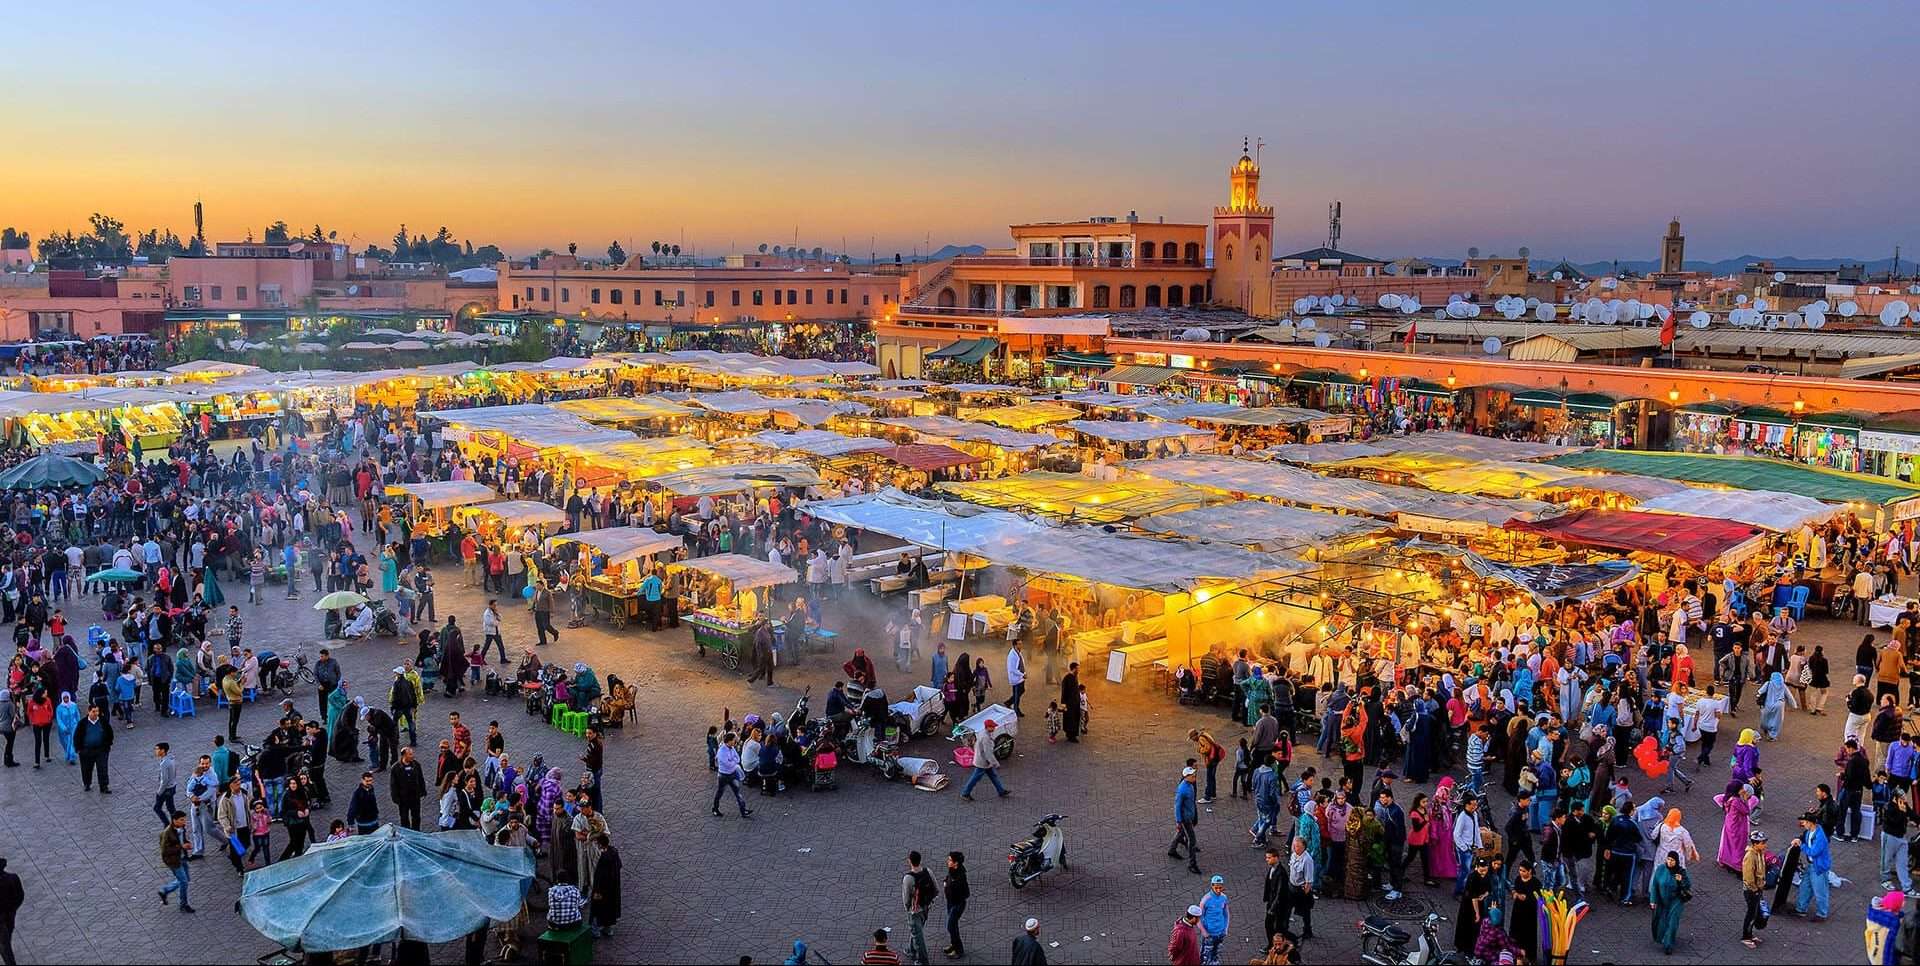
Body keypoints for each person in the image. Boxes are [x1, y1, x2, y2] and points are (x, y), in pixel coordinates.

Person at [1649, 850, 1691, 955]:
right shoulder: (1661, 869)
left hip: (1676, 900)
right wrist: (1653, 900)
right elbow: (1655, 885)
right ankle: (1662, 937)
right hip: (1663, 900)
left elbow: (1688, 885)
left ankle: (1668, 945)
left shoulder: (1681, 872)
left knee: (1672, 922)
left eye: (1672, 860)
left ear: (1676, 861)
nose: (1670, 862)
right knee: (1662, 921)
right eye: (1668, 859)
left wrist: (1681, 880)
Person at [1794, 810, 1832, 920]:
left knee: (1820, 891)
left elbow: (1813, 852)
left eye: (1804, 822)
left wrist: (1801, 845)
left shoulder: (1820, 837)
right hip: (1812, 865)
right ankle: (1800, 909)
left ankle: (1822, 913)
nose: (1803, 824)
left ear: (1811, 823)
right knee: (1805, 887)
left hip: (1819, 867)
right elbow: (1803, 837)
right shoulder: (1810, 831)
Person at [958, 720, 1008, 801]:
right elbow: (988, 753)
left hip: (982, 760)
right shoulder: (986, 738)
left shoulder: (982, 733)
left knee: (992, 776)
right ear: (987, 727)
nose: (994, 728)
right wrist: (995, 763)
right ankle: (965, 793)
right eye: (992, 727)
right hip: (983, 762)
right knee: (975, 778)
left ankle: (1001, 791)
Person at [903, 850, 937, 966]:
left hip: (915, 910)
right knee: (917, 930)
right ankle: (911, 949)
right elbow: (936, 889)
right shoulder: (928, 871)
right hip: (926, 906)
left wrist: (908, 909)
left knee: (918, 935)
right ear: (920, 860)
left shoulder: (908, 878)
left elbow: (906, 899)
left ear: (909, 861)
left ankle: (923, 960)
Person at [156, 810, 194, 914]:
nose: (184, 822)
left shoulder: (181, 828)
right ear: (174, 820)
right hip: (174, 861)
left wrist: (186, 843)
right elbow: (165, 851)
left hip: (182, 858)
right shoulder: (167, 833)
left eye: (184, 819)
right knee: (184, 881)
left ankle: (164, 891)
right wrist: (181, 847)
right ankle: (184, 904)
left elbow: (182, 840)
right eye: (181, 820)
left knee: (184, 880)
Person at [711, 731, 752, 818]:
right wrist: (733, 761)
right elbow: (727, 763)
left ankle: (743, 810)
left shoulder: (732, 748)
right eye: (733, 740)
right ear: (729, 741)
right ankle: (715, 808)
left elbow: (737, 758)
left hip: (732, 774)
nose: (735, 742)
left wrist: (732, 761)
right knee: (720, 792)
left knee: (737, 792)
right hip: (723, 776)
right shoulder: (722, 751)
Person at [73, 704, 113, 793]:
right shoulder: (83, 723)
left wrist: (108, 745)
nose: (95, 714)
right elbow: (77, 736)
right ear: (89, 712)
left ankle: (104, 786)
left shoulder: (103, 721)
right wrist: (79, 749)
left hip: (101, 750)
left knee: (102, 768)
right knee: (86, 768)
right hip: (86, 750)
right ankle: (87, 783)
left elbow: (110, 733)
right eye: (93, 711)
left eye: (97, 711)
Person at [1169, 766, 1201, 875]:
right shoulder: (1182, 789)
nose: (1194, 777)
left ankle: (1172, 850)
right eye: (1192, 776)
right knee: (1192, 840)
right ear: (1186, 777)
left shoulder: (1190, 785)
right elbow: (1177, 806)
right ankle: (1192, 864)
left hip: (1189, 816)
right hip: (1185, 819)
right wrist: (1178, 821)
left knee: (1181, 833)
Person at [589, 834, 621, 937]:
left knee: (596, 909)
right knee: (610, 908)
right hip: (613, 888)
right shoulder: (614, 852)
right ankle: (608, 929)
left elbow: (599, 876)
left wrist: (597, 890)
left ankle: (595, 931)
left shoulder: (603, 859)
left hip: (602, 889)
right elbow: (619, 865)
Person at [1741, 831, 1768, 949]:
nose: (1764, 845)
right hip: (1751, 890)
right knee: (1751, 913)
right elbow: (1748, 876)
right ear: (1755, 844)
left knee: (1755, 912)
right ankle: (1746, 937)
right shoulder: (1750, 856)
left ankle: (1750, 934)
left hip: (1758, 888)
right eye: (1762, 843)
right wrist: (1755, 889)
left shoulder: (1760, 852)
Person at [1197, 874, 1230, 966]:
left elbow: (1226, 914)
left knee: (1216, 954)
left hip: (1220, 933)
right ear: (1212, 886)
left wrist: (1225, 929)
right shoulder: (1205, 900)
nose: (1218, 890)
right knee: (1205, 957)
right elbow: (1198, 918)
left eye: (1220, 888)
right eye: (1216, 888)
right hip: (1209, 934)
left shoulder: (1224, 898)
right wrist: (1204, 932)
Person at [391, 747, 427, 830]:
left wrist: (423, 790)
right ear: (404, 755)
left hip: (415, 797)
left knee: (416, 817)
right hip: (403, 798)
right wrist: (396, 798)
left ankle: (416, 832)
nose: (412, 756)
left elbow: (421, 778)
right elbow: (393, 785)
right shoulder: (396, 768)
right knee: (404, 818)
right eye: (410, 754)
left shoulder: (416, 765)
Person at [942, 851, 969, 959]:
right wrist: (946, 882)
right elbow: (948, 878)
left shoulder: (960, 877)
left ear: (956, 863)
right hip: (951, 902)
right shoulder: (952, 870)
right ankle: (953, 945)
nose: (947, 861)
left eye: (950, 860)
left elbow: (964, 893)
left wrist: (948, 886)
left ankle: (959, 950)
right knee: (952, 926)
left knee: (951, 926)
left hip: (957, 904)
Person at [0, 856, 20, 964]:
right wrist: (12, 910)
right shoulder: (13, 878)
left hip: (4, 917)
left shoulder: (11, 879)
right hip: (9, 915)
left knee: (4, 945)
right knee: (5, 942)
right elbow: (19, 896)